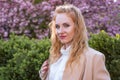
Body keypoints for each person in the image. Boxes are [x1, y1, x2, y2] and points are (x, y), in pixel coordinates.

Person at [39, 4, 111, 80]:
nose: (60, 31)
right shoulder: (55, 56)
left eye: (66, 25)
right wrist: (45, 76)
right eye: (57, 26)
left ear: (77, 27)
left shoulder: (94, 58)